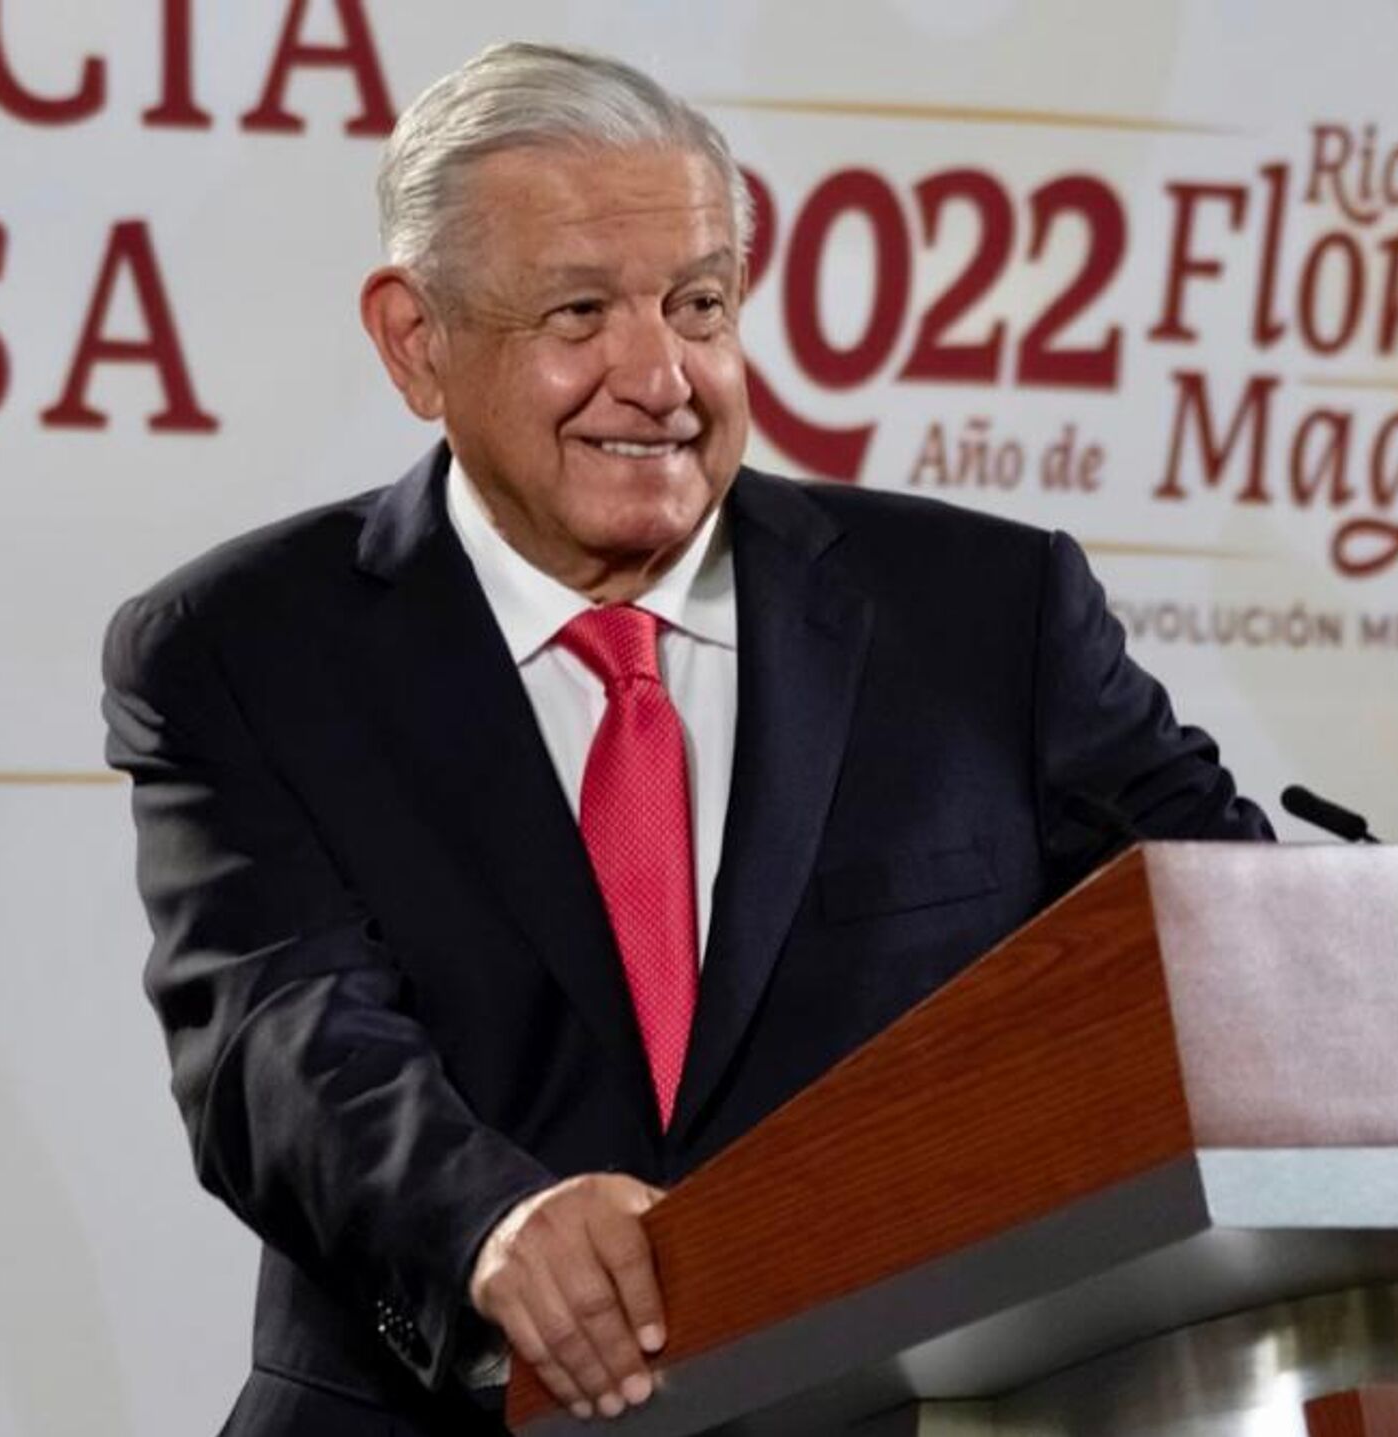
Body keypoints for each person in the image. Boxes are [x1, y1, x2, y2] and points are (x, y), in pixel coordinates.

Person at [102, 40, 1271, 1437]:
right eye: (580, 312)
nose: (659, 376)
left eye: (699, 305)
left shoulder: (988, 616)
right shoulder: (243, 647)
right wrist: (495, 1223)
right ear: (417, 341)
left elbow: (1247, 938)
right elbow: (282, 1033)